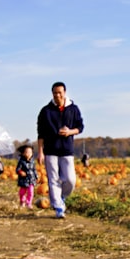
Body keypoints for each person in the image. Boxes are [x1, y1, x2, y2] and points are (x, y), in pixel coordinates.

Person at [37, 82, 84, 219]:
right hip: (50, 150)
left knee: (70, 180)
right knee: (53, 179)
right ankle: (58, 207)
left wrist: (70, 132)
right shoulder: (46, 111)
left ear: (65, 92)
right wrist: (40, 152)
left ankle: (62, 196)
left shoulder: (73, 109)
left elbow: (80, 127)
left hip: (67, 150)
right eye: (55, 93)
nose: (57, 95)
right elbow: (40, 133)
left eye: (59, 92)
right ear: (52, 94)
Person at [15, 144, 39, 209]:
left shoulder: (32, 161)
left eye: (30, 152)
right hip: (23, 180)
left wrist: (36, 177)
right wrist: (20, 172)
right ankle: (22, 202)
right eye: (26, 152)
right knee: (22, 192)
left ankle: (29, 203)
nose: (28, 154)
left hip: (31, 179)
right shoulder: (21, 161)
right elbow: (17, 169)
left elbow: (34, 169)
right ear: (23, 153)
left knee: (31, 192)